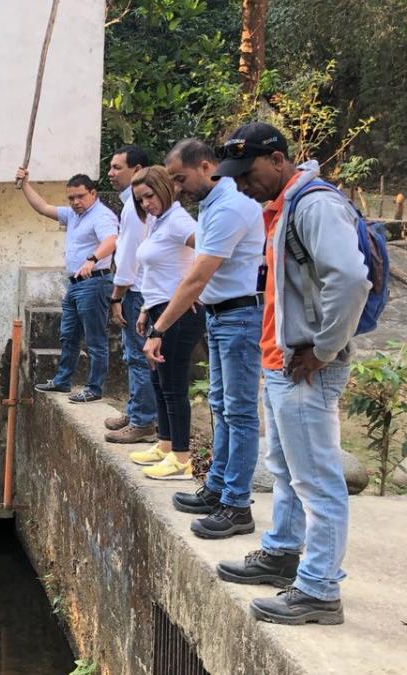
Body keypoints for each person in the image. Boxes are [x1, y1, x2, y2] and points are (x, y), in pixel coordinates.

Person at [213, 123, 369, 626]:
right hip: (282, 361)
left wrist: (324, 349)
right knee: (284, 468)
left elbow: (349, 280)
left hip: (307, 367)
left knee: (317, 480)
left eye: (249, 172)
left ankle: (320, 589)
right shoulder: (282, 207)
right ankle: (282, 552)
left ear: (279, 159)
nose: (241, 184)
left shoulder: (315, 206)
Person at [143, 139, 265, 539]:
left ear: (207, 165)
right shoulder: (213, 205)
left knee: (240, 412)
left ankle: (236, 505)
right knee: (220, 405)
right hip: (219, 316)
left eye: (180, 178)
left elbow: (197, 275)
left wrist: (158, 328)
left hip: (239, 316)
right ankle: (216, 487)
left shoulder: (231, 207)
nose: (177, 187)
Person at [125, 167, 203, 479]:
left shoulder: (180, 221)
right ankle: (166, 444)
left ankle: (181, 458)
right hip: (158, 308)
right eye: (140, 199)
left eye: (149, 195)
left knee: (172, 384)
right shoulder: (160, 223)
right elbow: (155, 272)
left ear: (164, 189)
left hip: (179, 313)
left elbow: (210, 251)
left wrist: (198, 288)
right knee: (159, 380)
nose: (145, 203)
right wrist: (145, 309)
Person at [17, 168, 118, 403]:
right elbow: (43, 208)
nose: (75, 202)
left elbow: (112, 240)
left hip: (94, 282)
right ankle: (62, 381)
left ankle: (94, 388)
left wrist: (92, 260)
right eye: (71, 198)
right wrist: (25, 185)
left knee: (94, 339)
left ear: (93, 193)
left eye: (80, 196)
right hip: (74, 284)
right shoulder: (74, 215)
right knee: (67, 335)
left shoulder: (102, 216)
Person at [104, 146, 159, 444]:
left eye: (117, 167)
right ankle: (137, 409)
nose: (110, 174)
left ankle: (142, 421)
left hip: (137, 290)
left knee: (139, 357)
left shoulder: (134, 207)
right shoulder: (134, 205)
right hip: (141, 289)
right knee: (136, 355)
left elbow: (128, 256)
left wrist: (116, 296)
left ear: (137, 169)